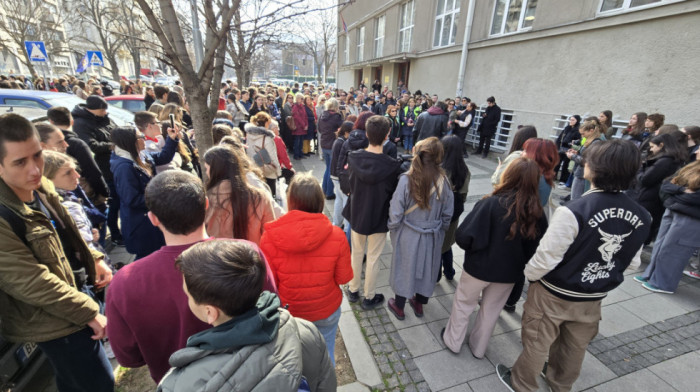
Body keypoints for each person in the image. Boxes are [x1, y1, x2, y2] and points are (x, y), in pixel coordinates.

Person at [497, 140, 651, 392]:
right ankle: (561, 384)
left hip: (554, 292)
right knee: (575, 346)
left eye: (588, 160)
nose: (584, 163)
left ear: (597, 169)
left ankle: (522, 383)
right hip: (594, 295)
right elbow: (632, 263)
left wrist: (530, 276)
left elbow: (546, 258)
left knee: (537, 340)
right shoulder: (643, 216)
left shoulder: (574, 210)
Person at [106, 170, 276, 383]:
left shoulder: (124, 282)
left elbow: (128, 357)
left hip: (178, 383)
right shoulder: (247, 253)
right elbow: (271, 309)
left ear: (153, 219)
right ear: (206, 205)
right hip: (250, 377)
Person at [0, 113, 114, 391]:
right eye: (20, 162)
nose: (35, 169)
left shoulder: (39, 186)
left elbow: (67, 231)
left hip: (76, 292)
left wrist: (93, 256)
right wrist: (88, 312)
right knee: (98, 384)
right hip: (54, 318)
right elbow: (30, 281)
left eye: (37, 155)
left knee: (76, 382)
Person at [156, 240, 336, 392]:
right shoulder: (305, 330)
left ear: (210, 312)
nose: (187, 300)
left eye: (188, 296)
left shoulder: (180, 384)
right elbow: (326, 385)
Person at [443, 158, 547, 358]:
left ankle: (453, 341)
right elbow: (536, 249)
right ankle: (479, 348)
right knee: (491, 311)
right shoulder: (537, 213)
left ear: (509, 175)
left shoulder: (490, 203)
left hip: (478, 267)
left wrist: (477, 249)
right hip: (509, 273)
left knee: (463, 304)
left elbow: (464, 236)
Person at [260, 173, 353, 364]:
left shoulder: (269, 238)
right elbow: (344, 278)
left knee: (295, 358)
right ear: (319, 201)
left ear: (290, 201)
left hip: (291, 312)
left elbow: (270, 286)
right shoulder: (337, 235)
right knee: (326, 354)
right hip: (326, 309)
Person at [386, 137, 454, 320]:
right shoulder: (444, 182)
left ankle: (399, 306)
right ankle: (419, 304)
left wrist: (393, 229)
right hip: (432, 233)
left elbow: (396, 210)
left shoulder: (407, 179)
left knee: (405, 267)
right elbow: (448, 213)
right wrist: (440, 230)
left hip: (408, 232)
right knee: (428, 268)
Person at [343, 116, 403, 310]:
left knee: (356, 253)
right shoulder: (393, 165)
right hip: (378, 215)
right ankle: (369, 296)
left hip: (357, 212)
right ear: (387, 136)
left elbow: (349, 184)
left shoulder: (353, 157)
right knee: (374, 257)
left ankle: (353, 290)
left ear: (367, 134)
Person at [110, 126, 177, 259]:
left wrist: (172, 139)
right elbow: (132, 199)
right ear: (130, 141)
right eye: (140, 137)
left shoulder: (140, 155)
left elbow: (163, 157)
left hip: (150, 220)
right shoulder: (124, 167)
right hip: (141, 225)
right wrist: (162, 197)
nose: (144, 139)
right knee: (147, 257)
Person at [634, 161, 700, 293]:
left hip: (691, 217)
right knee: (660, 245)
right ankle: (651, 275)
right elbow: (666, 186)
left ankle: (663, 283)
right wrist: (681, 191)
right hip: (673, 209)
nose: (698, 150)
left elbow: (694, 198)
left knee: (674, 250)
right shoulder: (693, 166)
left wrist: (675, 195)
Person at [73, 95, 122, 245]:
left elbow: (115, 130)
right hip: (104, 168)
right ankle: (114, 234)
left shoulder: (105, 118)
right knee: (112, 203)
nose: (105, 113)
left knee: (119, 202)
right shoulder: (81, 124)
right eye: (102, 110)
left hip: (115, 163)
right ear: (92, 110)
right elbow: (91, 145)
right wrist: (110, 146)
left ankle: (118, 231)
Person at [204, 146, 276, 245]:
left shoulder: (205, 199)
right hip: (252, 256)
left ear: (214, 170)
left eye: (206, 169)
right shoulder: (260, 197)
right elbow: (270, 234)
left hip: (215, 257)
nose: (206, 173)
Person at [627, 133, 687, 244]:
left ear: (661, 145)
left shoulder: (665, 161)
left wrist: (640, 169)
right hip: (654, 198)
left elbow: (646, 180)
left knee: (641, 228)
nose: (651, 149)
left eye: (653, 146)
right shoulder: (673, 159)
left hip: (650, 198)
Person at [47, 107, 110, 207]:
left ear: (51, 121)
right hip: (85, 197)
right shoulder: (76, 144)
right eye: (60, 142)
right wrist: (104, 192)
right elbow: (92, 171)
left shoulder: (51, 144)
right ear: (72, 121)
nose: (65, 145)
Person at [438, 135, 471, 281]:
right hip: (454, 214)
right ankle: (450, 273)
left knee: (438, 246)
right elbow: (464, 195)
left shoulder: (439, 170)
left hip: (439, 214)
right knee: (447, 244)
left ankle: (436, 275)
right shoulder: (464, 170)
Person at [567, 117, 605, 200]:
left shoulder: (596, 142)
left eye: (583, 133)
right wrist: (576, 152)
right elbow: (584, 155)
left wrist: (572, 156)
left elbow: (587, 161)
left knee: (576, 199)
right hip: (580, 172)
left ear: (591, 131)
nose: (582, 136)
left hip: (583, 175)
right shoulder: (589, 140)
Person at [245, 112, 282, 198]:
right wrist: (278, 172)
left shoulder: (249, 135)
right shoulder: (267, 138)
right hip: (267, 171)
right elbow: (273, 156)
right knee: (269, 196)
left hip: (254, 169)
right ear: (266, 123)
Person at [318, 98, 344, 200]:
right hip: (333, 143)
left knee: (328, 167)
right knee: (331, 169)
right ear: (336, 106)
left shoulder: (322, 115)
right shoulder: (336, 117)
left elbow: (319, 129)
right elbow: (343, 128)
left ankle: (324, 189)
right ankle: (329, 192)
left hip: (324, 143)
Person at [331, 121, 354, 228]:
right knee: (345, 200)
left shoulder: (338, 141)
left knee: (339, 199)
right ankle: (346, 226)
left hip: (334, 174)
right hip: (340, 175)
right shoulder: (342, 143)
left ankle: (337, 223)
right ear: (346, 132)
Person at [554, 115, 581, 184]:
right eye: (570, 120)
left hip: (570, 149)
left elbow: (578, 141)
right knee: (557, 162)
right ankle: (553, 175)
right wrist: (557, 145)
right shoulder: (567, 128)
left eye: (573, 120)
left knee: (566, 164)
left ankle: (563, 180)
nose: (571, 121)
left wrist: (571, 145)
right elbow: (560, 137)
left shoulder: (578, 130)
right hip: (561, 147)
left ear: (577, 121)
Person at [291, 93, 309, 160]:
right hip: (298, 127)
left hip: (303, 127)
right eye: (301, 98)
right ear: (297, 99)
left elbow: (305, 116)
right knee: (297, 142)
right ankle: (296, 155)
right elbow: (297, 117)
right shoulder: (295, 106)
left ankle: (300, 154)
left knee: (301, 142)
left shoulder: (302, 106)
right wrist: (304, 125)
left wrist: (306, 125)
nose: (302, 100)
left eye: (302, 98)